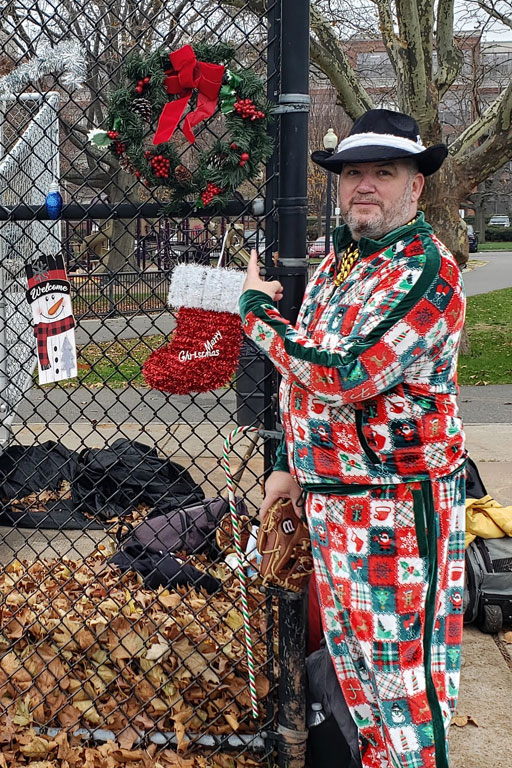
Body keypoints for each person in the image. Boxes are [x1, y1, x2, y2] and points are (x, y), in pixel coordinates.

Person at [240, 109, 466, 768]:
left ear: (415, 186)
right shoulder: (340, 260)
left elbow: (345, 376)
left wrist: (257, 315)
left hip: (392, 507)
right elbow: (302, 384)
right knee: (360, 689)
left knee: (399, 691)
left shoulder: (428, 270)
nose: (363, 186)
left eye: (383, 173)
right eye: (352, 174)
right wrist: (285, 464)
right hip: (330, 504)